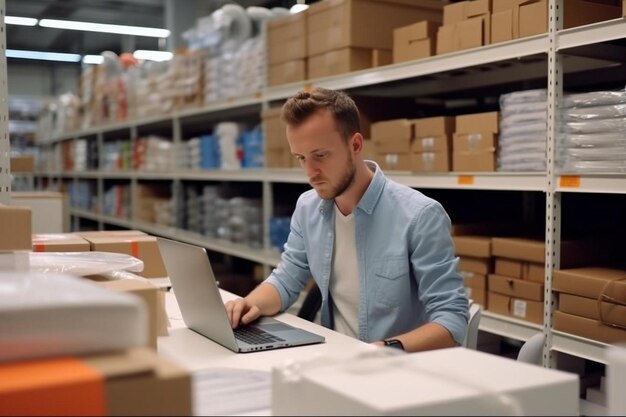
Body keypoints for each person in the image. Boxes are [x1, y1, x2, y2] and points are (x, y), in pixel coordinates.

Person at [225, 87, 469, 352]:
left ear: (355, 145)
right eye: (301, 158)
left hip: (395, 370)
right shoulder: (307, 208)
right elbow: (286, 280)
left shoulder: (420, 215)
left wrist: (382, 350)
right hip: (333, 359)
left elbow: (452, 319)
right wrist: (249, 305)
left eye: (320, 156)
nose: (310, 172)